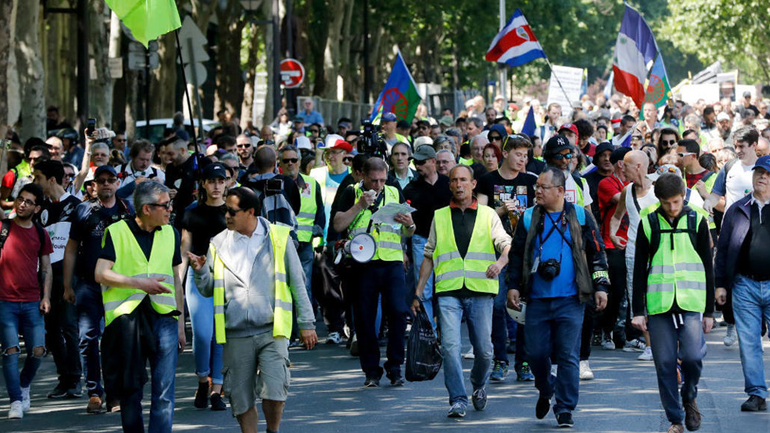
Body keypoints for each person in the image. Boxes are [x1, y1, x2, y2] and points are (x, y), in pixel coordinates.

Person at [189, 187, 317, 433]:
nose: (226, 216)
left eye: (232, 211)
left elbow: (297, 282)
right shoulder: (218, 243)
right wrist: (201, 271)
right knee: (240, 400)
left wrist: (307, 323)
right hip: (236, 333)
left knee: (275, 390)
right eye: (226, 210)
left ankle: (272, 430)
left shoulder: (279, 237)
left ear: (250, 212)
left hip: (272, 329)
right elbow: (207, 290)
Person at [507, 167, 609, 428]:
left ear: (560, 191)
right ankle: (546, 388)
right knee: (535, 353)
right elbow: (516, 254)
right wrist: (513, 286)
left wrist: (601, 287)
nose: (537, 191)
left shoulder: (580, 216)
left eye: (543, 187)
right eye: (537, 187)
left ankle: (565, 408)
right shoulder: (529, 216)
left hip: (572, 299)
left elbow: (597, 253)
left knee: (568, 355)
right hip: (537, 298)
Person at [411, 164, 511, 417]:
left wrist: (500, 263)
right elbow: (429, 255)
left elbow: (506, 244)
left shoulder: (488, 214)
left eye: (464, 180)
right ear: (450, 185)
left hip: (480, 290)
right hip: (449, 291)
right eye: (455, 180)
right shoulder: (440, 216)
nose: (459, 185)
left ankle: (478, 384)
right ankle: (457, 398)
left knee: (485, 351)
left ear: (473, 184)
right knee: (450, 347)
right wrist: (418, 293)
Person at [95, 181, 185, 433]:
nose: (170, 209)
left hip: (164, 317)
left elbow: (176, 280)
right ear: (147, 209)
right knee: (131, 390)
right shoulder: (116, 231)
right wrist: (139, 284)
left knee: (164, 392)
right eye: (165, 205)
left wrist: (180, 324)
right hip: (128, 320)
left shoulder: (171, 233)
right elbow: (100, 273)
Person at [632, 173, 714, 433]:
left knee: (692, 356)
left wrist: (709, 311)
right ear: (659, 200)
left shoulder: (697, 220)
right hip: (659, 304)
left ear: (683, 196)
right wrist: (637, 310)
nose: (672, 207)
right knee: (665, 363)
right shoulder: (648, 223)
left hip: (691, 301)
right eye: (666, 203)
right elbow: (639, 269)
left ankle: (689, 395)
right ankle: (675, 419)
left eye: (677, 202)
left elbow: (707, 267)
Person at [333, 158, 415, 387]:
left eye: (382, 180)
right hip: (363, 263)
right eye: (373, 180)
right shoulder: (351, 192)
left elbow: (409, 231)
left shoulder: (393, 191)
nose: (378, 185)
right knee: (365, 319)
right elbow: (338, 225)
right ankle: (371, 371)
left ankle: (395, 367)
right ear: (363, 176)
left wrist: (409, 224)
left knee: (398, 313)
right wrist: (359, 205)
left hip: (391, 261)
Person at [63, 165, 134, 413]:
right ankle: (94, 392)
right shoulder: (83, 210)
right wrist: (67, 285)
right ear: (93, 185)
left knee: (117, 340)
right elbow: (71, 248)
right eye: (100, 180)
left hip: (119, 284)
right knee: (87, 338)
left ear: (117, 183)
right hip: (88, 284)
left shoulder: (128, 209)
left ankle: (115, 394)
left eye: (110, 180)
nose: (105, 184)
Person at [476, 134, 537, 381]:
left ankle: (524, 362)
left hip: (524, 251)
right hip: (495, 251)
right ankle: (500, 360)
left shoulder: (530, 181)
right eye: (518, 154)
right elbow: (480, 216)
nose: (522, 160)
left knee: (524, 307)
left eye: (525, 156)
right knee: (498, 306)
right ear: (506, 153)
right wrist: (500, 210)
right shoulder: (487, 180)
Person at [715, 155, 770, 412]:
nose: (763, 178)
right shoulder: (738, 208)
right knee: (749, 343)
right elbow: (724, 248)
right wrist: (721, 284)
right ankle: (756, 394)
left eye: (768, 175)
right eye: (759, 172)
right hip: (744, 285)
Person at [177, 163, 229, 410]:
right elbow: (184, 250)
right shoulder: (191, 213)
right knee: (202, 333)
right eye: (212, 181)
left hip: (227, 278)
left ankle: (217, 389)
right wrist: (178, 280)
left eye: (221, 180)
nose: (217, 186)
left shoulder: (232, 211)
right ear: (204, 184)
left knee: (221, 336)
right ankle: (202, 380)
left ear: (227, 183)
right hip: (198, 276)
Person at [0, 183, 53, 419]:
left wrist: (46, 297)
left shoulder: (41, 233)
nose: (22, 204)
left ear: (37, 208)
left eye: (28, 202)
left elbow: (47, 268)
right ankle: (15, 401)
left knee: (38, 351)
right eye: (20, 199)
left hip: (32, 300)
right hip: (5, 301)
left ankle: (23, 386)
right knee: (10, 350)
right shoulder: (3, 227)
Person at [31, 160, 83, 399]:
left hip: (69, 276)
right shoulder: (39, 208)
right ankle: (64, 379)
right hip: (45, 276)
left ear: (51, 180)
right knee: (51, 329)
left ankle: (75, 379)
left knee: (69, 327)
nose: (35, 182)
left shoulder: (76, 205)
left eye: (38, 178)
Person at [610, 150, 659, 358]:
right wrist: (613, 234)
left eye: (626, 165)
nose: (621, 168)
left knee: (658, 296)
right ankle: (649, 345)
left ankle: (663, 341)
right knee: (638, 297)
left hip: (658, 253)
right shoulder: (627, 191)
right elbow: (617, 216)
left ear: (638, 166)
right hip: (633, 251)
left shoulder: (658, 189)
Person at [277, 145, 327, 343]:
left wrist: (318, 231)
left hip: (305, 243)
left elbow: (320, 211)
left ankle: (304, 329)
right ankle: (288, 332)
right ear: (280, 164)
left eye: (294, 160)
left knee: (303, 287)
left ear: (299, 162)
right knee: (283, 288)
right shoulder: (275, 184)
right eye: (286, 160)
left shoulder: (311, 183)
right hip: (282, 243)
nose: (290, 164)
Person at [403, 145, 452, 330]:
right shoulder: (410, 189)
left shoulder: (448, 184)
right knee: (424, 290)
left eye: (421, 162)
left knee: (447, 288)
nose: (417, 166)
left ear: (433, 161)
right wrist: (403, 249)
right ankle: (429, 332)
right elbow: (403, 222)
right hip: (421, 239)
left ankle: (445, 330)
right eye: (415, 162)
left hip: (447, 241)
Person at [596, 147, 632, 350]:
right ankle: (606, 330)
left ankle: (630, 334)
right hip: (612, 244)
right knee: (616, 291)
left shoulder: (634, 184)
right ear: (621, 164)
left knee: (633, 290)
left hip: (633, 242)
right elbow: (625, 200)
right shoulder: (606, 183)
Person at [705, 126, 759, 215]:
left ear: (754, 145)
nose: (737, 150)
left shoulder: (764, 169)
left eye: (741, 146)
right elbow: (716, 194)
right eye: (735, 146)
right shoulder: (729, 166)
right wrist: (709, 202)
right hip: (731, 221)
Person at [116, 140, 166, 207]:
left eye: (148, 160)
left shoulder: (158, 174)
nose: (145, 163)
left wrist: (160, 187)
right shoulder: (118, 170)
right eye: (142, 159)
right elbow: (113, 196)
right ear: (133, 157)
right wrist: (133, 185)